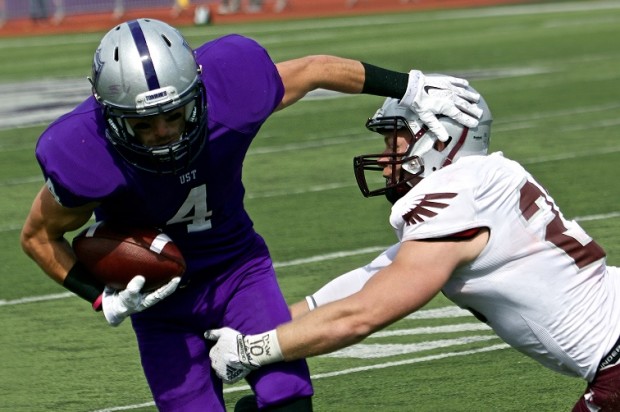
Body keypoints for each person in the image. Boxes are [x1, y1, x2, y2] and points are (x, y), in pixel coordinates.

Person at [19, 18, 482, 412]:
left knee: (289, 400)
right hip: (161, 303)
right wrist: (100, 297)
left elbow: (316, 69)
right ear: (111, 117)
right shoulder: (83, 152)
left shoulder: (231, 91)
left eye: (175, 114)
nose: (163, 132)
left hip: (237, 270)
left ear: (197, 91)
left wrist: (409, 86)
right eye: (143, 124)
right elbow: (38, 236)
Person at [205, 89, 620, 411]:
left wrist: (254, 350)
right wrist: (259, 329)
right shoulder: (485, 178)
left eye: (395, 143)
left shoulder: (457, 195)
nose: (386, 161)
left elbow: (364, 314)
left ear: (440, 140)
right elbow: (363, 284)